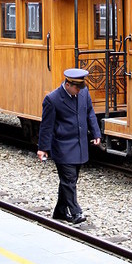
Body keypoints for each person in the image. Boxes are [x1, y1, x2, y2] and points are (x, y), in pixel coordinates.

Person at [37, 67, 101, 224]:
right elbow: (46, 126)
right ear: (68, 84)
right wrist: (42, 148)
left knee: (69, 181)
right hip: (63, 146)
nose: (79, 92)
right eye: (76, 88)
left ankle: (60, 211)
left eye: (81, 88)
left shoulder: (83, 93)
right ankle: (76, 212)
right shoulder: (53, 99)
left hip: (79, 145)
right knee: (69, 179)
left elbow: (90, 113)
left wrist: (96, 133)